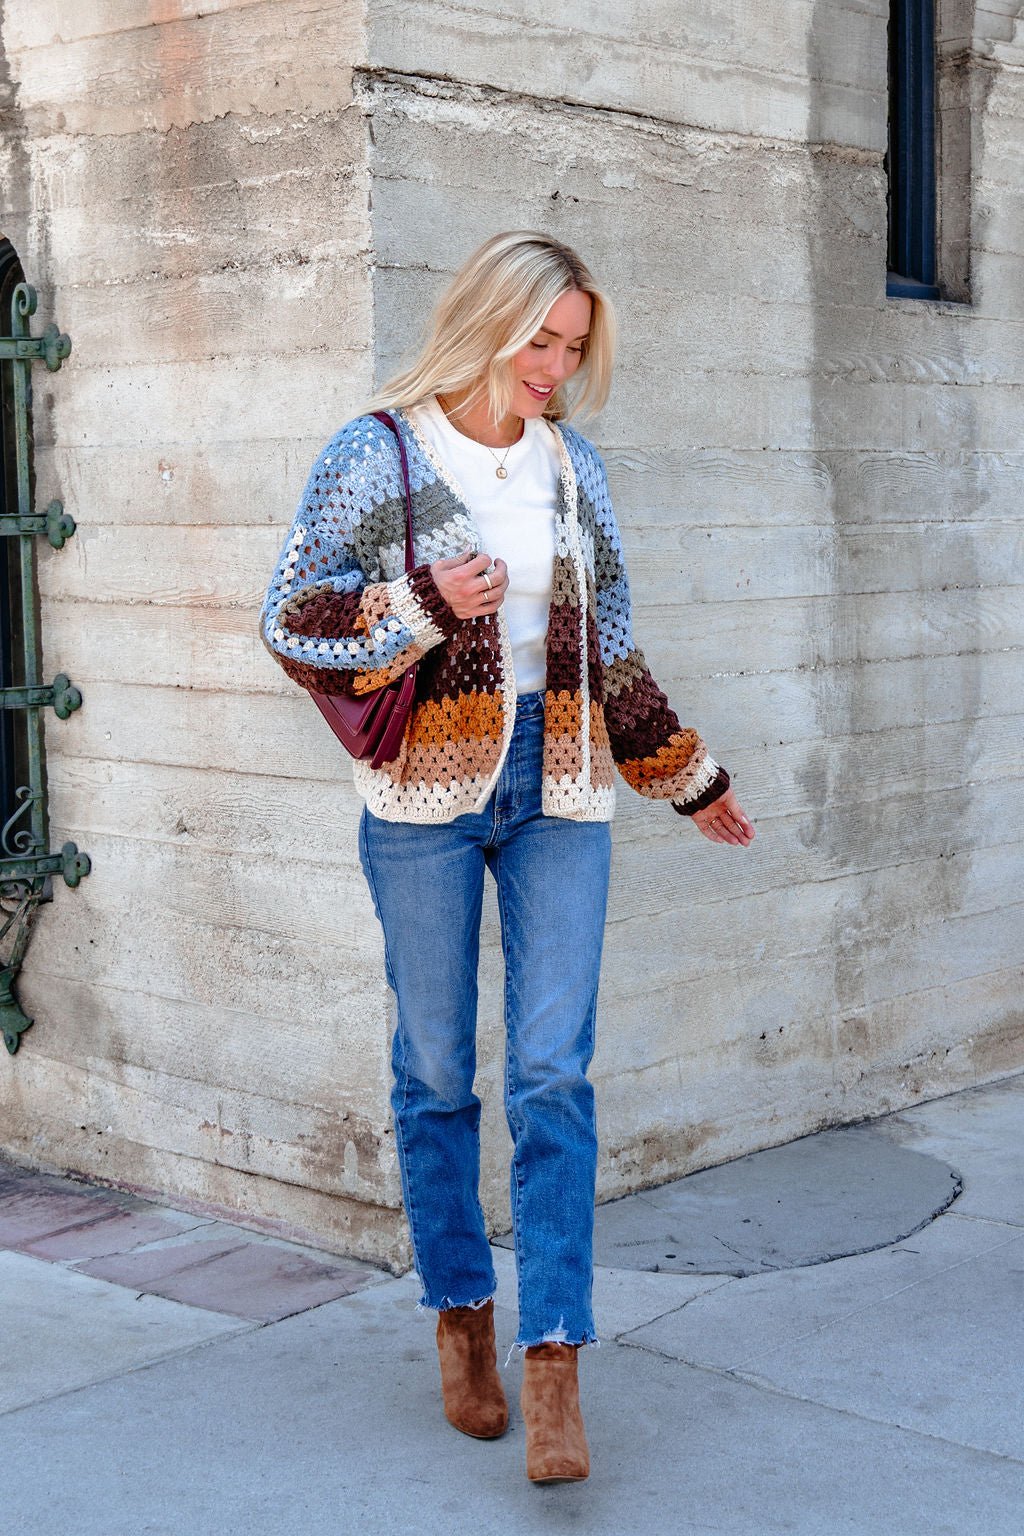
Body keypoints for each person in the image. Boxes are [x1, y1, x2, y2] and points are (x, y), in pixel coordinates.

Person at [261, 230, 755, 1485]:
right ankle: (461, 1323)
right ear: (487, 321)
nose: (554, 368)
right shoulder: (373, 453)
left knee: (553, 1075)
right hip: (422, 799)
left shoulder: (572, 471)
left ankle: (554, 1365)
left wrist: (687, 778)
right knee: (434, 1071)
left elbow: (615, 656)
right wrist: (430, 604)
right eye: (540, 340)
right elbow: (292, 622)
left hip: (562, 786)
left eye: (573, 347)